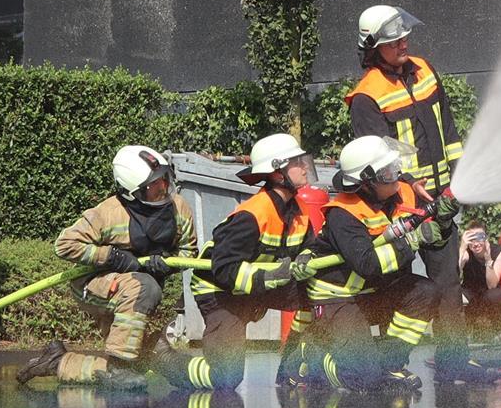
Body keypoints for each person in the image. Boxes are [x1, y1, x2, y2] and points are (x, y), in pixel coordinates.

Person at [345, 5, 480, 379]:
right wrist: (407, 184)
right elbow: (374, 157)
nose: (404, 43)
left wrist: (460, 177)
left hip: (439, 200)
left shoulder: (425, 71)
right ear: (373, 47)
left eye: (404, 36)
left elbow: (448, 131)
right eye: (393, 40)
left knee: (448, 283)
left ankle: (454, 362)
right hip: (397, 206)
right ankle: (392, 366)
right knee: (399, 286)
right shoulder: (366, 96)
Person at [18, 144, 196, 386]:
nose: (162, 190)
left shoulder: (179, 209)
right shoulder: (108, 213)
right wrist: (111, 256)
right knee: (145, 288)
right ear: (132, 192)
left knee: (141, 366)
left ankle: (57, 361)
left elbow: (188, 251)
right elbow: (65, 245)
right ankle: (119, 365)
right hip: (95, 285)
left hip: (132, 293)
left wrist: (168, 265)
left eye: (164, 181)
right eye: (153, 187)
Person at [153, 133, 315, 392]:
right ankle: (166, 361)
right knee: (226, 377)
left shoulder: (299, 213)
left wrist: (309, 257)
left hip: (260, 287)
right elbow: (223, 268)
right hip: (221, 291)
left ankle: (291, 368)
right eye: (297, 162)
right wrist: (269, 277)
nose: (305, 166)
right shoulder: (252, 216)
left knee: (316, 291)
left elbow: (309, 250)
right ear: (277, 172)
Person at [296, 135, 449, 393]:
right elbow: (367, 263)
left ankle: (390, 365)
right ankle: (314, 360)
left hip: (373, 292)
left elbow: (431, 231)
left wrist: (443, 218)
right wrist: (411, 242)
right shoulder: (342, 216)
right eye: (388, 173)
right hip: (339, 299)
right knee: (363, 380)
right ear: (366, 182)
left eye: (395, 168)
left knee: (425, 292)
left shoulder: (397, 196)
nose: (396, 175)